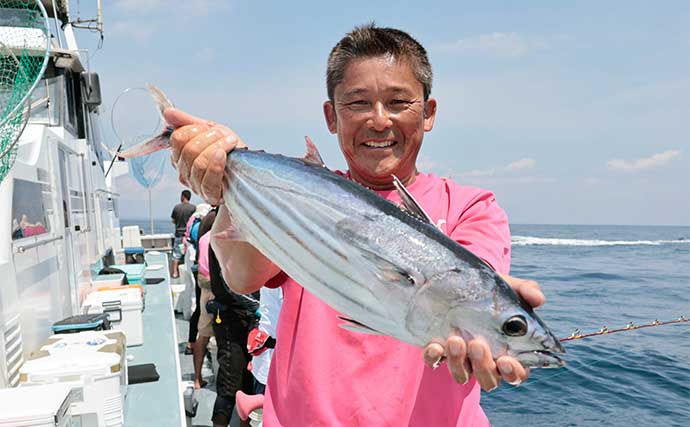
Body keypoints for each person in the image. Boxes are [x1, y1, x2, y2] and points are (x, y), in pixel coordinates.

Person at [167, 24, 546, 427]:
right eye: (358, 103)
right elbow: (243, 275)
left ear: (428, 112)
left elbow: (472, 276)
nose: (379, 121)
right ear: (331, 116)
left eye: (399, 102)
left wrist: (495, 309)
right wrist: (221, 174)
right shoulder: (298, 197)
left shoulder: (472, 208)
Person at [205, 207, 260, 427]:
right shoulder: (219, 235)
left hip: (250, 320)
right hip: (229, 319)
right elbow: (226, 286)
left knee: (247, 386)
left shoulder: (247, 232)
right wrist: (256, 305)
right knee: (229, 385)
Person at [171, 189, 196, 279]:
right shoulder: (193, 208)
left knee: (176, 254)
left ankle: (174, 273)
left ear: (183, 196)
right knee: (189, 254)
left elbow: (173, 220)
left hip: (178, 234)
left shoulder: (176, 207)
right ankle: (188, 273)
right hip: (189, 236)